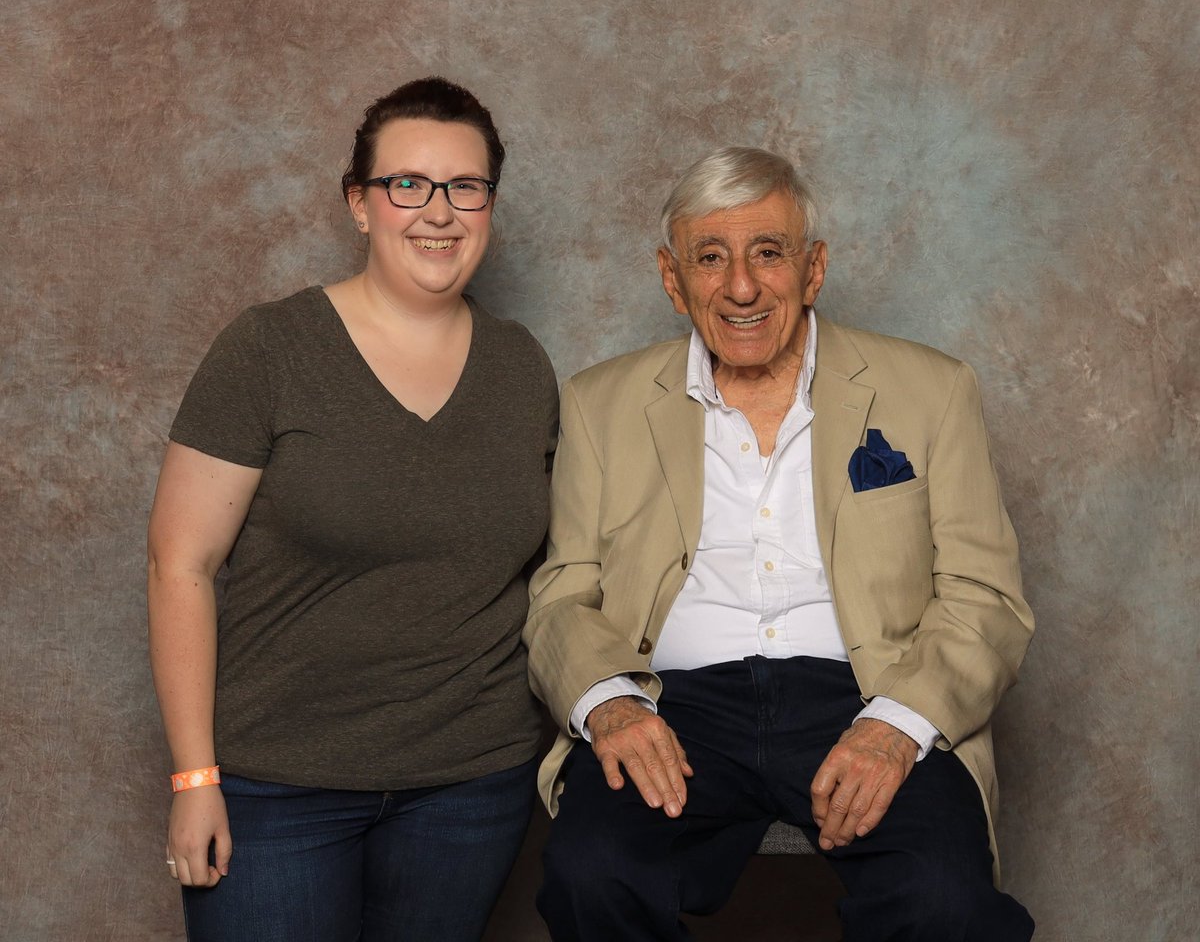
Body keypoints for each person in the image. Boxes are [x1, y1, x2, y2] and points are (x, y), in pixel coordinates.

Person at [523, 146, 1035, 941]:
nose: (741, 286)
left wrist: (896, 726)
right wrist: (610, 704)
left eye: (769, 253)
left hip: (871, 689)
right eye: (711, 257)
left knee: (945, 900)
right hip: (671, 702)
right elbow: (562, 597)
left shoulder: (932, 389)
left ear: (814, 268)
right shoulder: (600, 402)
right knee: (592, 874)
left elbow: (986, 598)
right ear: (672, 277)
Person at [147, 77, 557, 942]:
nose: (438, 212)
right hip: (276, 787)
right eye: (407, 185)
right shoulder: (269, 351)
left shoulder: (524, 370)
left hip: (471, 785)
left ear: (490, 206)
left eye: (465, 188)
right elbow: (178, 565)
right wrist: (194, 779)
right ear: (359, 206)